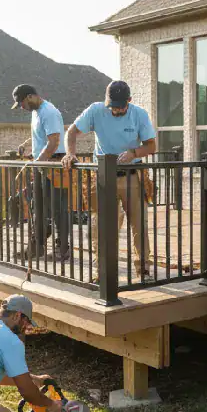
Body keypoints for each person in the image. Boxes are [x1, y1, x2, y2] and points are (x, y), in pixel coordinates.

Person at [60, 81, 157, 282]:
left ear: (129, 101)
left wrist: (133, 153)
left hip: (132, 175)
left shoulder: (139, 114)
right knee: (102, 226)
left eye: (120, 106)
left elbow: (151, 146)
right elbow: (71, 132)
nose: (115, 110)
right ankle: (103, 272)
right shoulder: (95, 110)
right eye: (111, 105)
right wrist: (70, 153)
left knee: (139, 224)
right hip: (102, 176)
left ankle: (144, 271)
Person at [12, 84, 70, 262]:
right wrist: (32, 153)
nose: (22, 107)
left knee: (58, 209)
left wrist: (39, 160)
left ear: (30, 97)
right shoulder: (36, 113)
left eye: (22, 103)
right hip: (42, 164)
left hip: (54, 166)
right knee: (38, 208)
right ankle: (36, 247)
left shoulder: (49, 112)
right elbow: (44, 139)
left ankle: (63, 250)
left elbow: (54, 142)